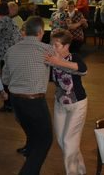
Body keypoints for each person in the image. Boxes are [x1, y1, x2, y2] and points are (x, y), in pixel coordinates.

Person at [1, 16, 79, 174]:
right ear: (41, 32)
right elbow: (68, 66)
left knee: (32, 134)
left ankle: (31, 164)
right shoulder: (46, 50)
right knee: (45, 140)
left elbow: (5, 79)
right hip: (34, 101)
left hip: (15, 101)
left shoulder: (11, 50)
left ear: (25, 31)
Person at [44, 29, 88, 175]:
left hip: (77, 104)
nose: (53, 48)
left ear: (66, 46)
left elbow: (83, 69)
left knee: (69, 142)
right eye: (52, 44)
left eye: (56, 45)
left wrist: (59, 62)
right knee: (64, 142)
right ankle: (81, 170)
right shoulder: (51, 59)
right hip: (60, 104)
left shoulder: (74, 57)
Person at [0, 2, 22, 113]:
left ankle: (8, 104)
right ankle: (14, 103)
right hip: (15, 53)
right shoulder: (13, 22)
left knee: (5, 80)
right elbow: (19, 37)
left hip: (4, 55)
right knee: (12, 79)